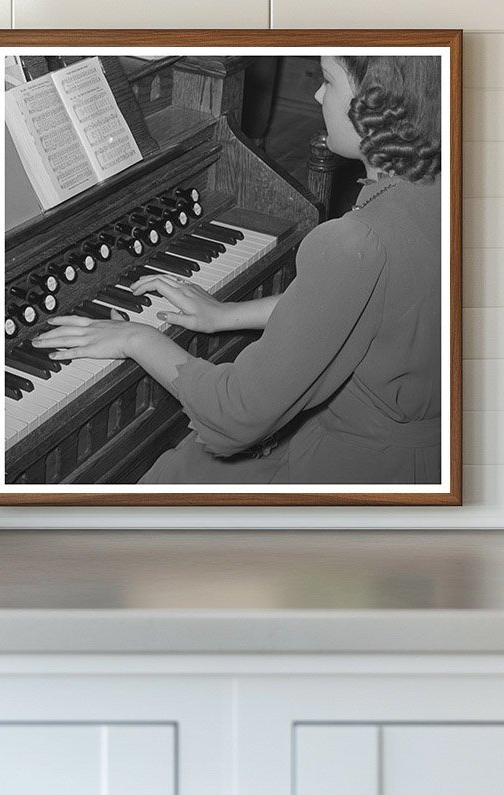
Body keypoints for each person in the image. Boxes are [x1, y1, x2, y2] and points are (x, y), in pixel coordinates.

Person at [32, 54, 442, 485]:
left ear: (376, 102)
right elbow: (370, 302)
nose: (318, 95)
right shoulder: (436, 187)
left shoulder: (354, 242)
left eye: (327, 81)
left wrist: (136, 336)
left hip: (358, 467)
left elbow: (236, 413)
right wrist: (228, 314)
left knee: (164, 485)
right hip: (421, 450)